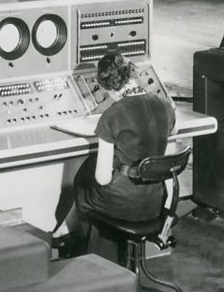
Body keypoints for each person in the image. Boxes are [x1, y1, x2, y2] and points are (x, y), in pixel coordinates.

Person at [70, 53, 176, 257]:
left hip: (124, 206)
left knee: (83, 180)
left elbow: (102, 179)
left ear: (107, 87)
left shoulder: (112, 115)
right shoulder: (165, 105)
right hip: (156, 201)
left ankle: (94, 256)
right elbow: (169, 141)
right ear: (133, 74)